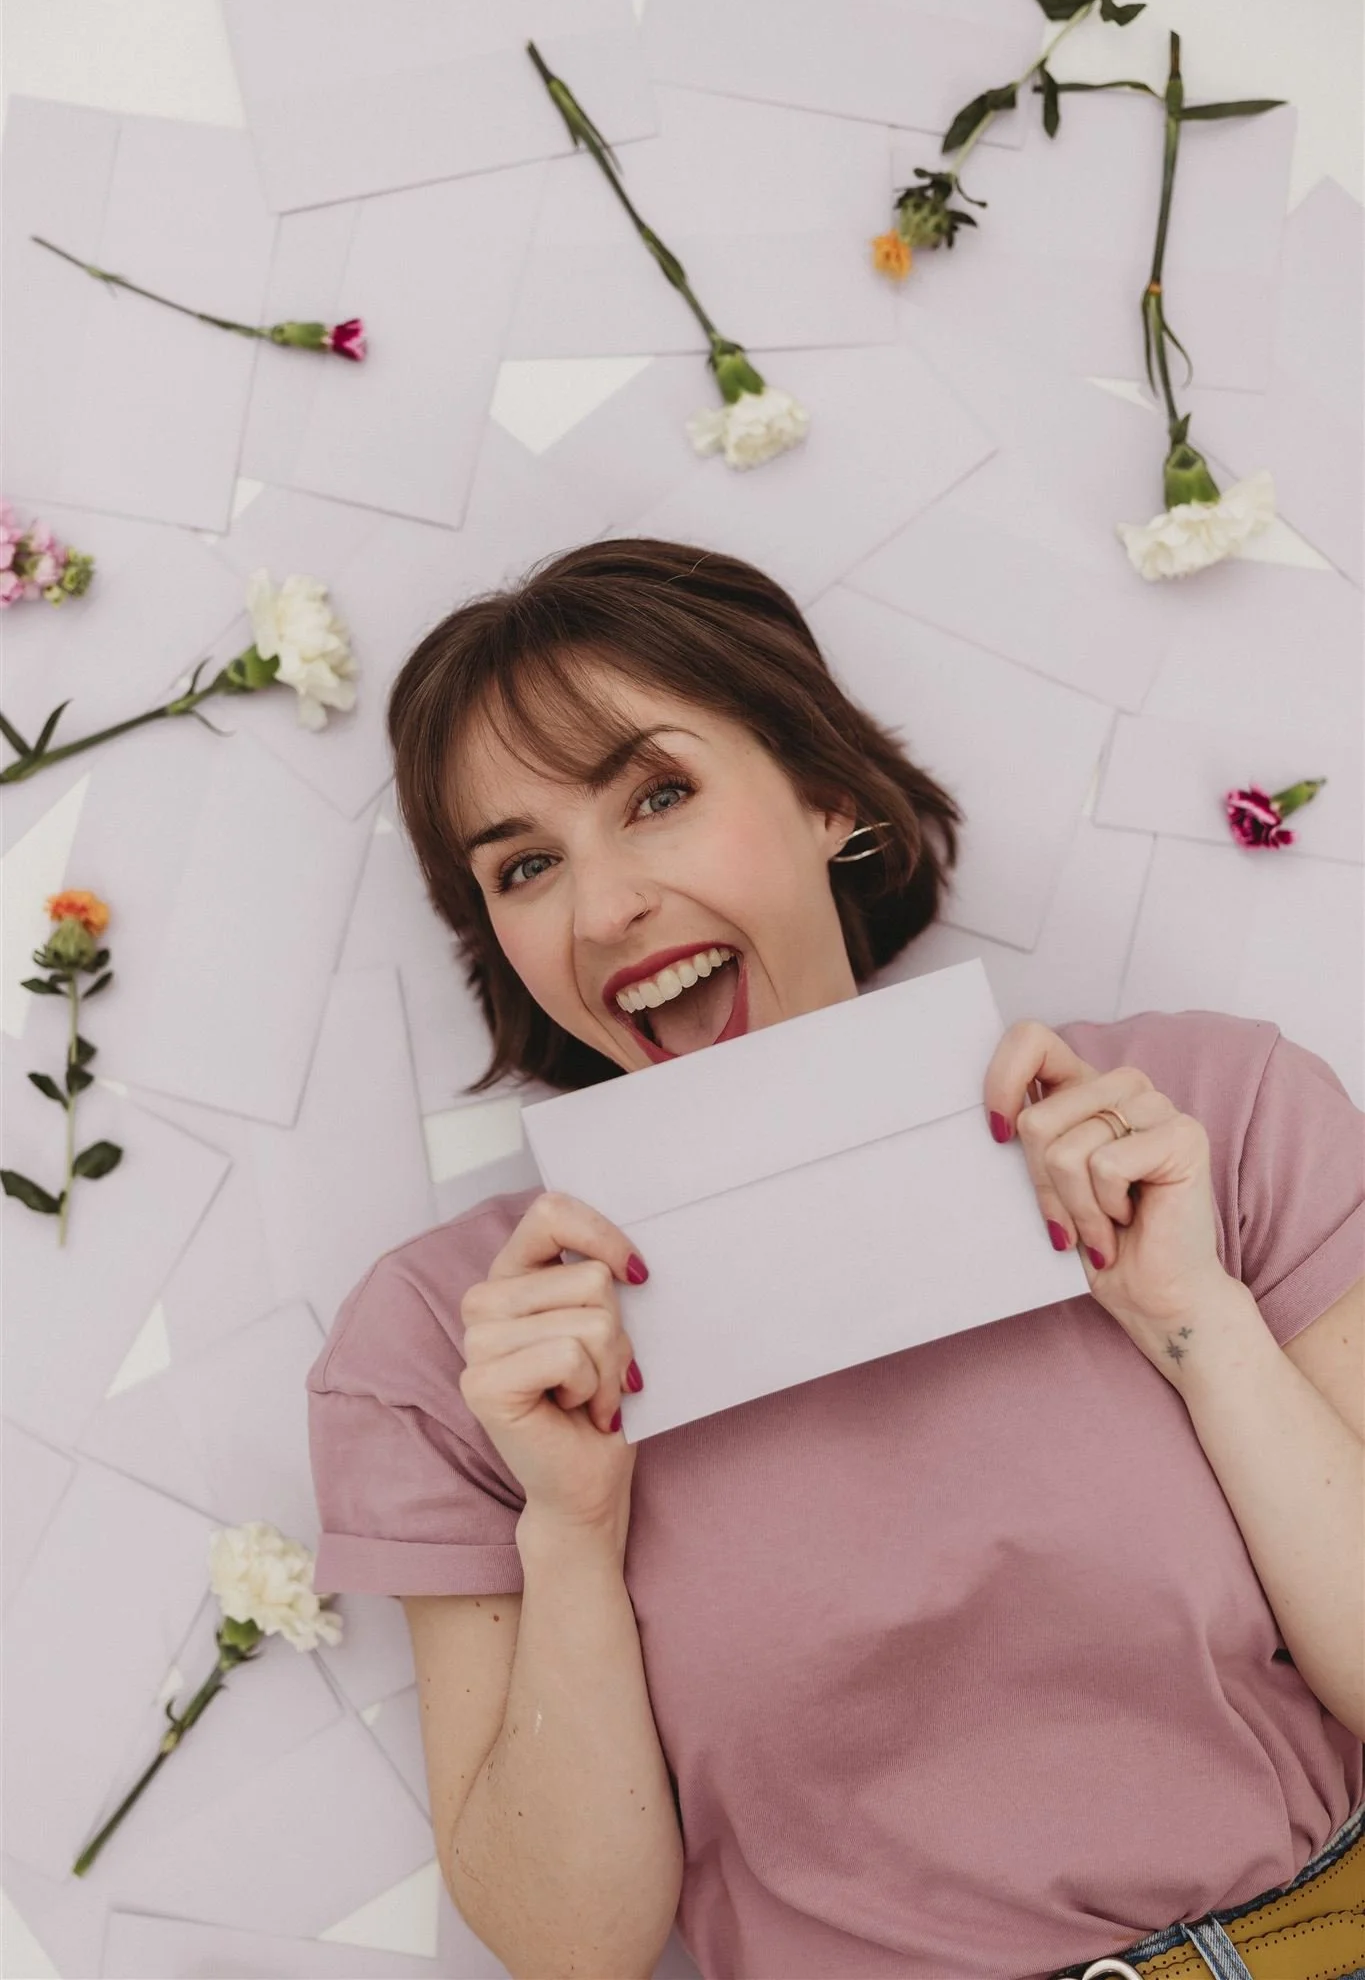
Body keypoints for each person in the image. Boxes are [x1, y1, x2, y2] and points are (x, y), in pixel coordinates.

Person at [305, 538, 1364, 1980]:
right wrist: (571, 1527)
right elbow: (573, 1946)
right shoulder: (456, 1342)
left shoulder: (1202, 1119)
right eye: (527, 865)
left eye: (658, 797)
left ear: (828, 797)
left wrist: (1196, 1323)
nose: (604, 906)